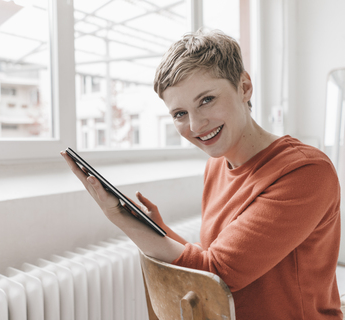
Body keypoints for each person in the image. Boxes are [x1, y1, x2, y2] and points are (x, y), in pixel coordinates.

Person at [61, 30, 342, 319]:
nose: (195, 125)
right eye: (180, 113)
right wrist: (157, 229)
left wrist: (121, 219)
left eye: (206, 100)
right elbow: (212, 258)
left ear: (244, 86)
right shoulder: (216, 165)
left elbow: (217, 274)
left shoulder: (305, 172)